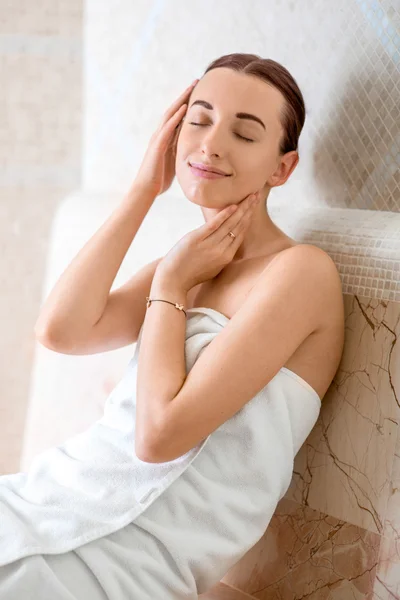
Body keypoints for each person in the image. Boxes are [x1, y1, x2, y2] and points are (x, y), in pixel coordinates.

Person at [1, 53, 345, 599]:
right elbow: (60, 331)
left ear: (281, 168)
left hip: (117, 558)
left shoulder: (300, 273)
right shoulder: (183, 265)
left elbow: (160, 437)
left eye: (245, 133)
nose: (210, 143)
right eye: (199, 119)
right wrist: (143, 189)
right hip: (50, 503)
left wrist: (170, 289)